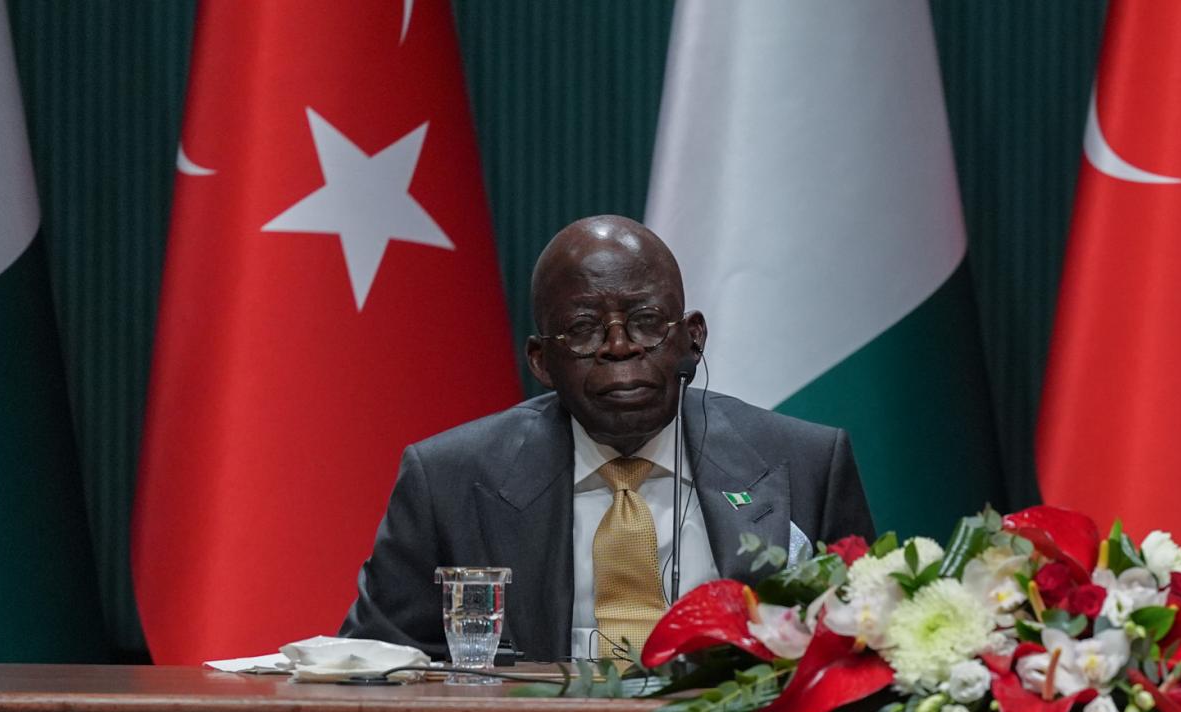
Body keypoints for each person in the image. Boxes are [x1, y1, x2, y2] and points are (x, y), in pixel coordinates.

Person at [340, 215, 874, 661]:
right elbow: (373, 666)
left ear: (692, 339)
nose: (619, 347)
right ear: (541, 361)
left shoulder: (804, 463)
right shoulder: (449, 480)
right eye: (582, 329)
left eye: (646, 322)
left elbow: (866, 657)